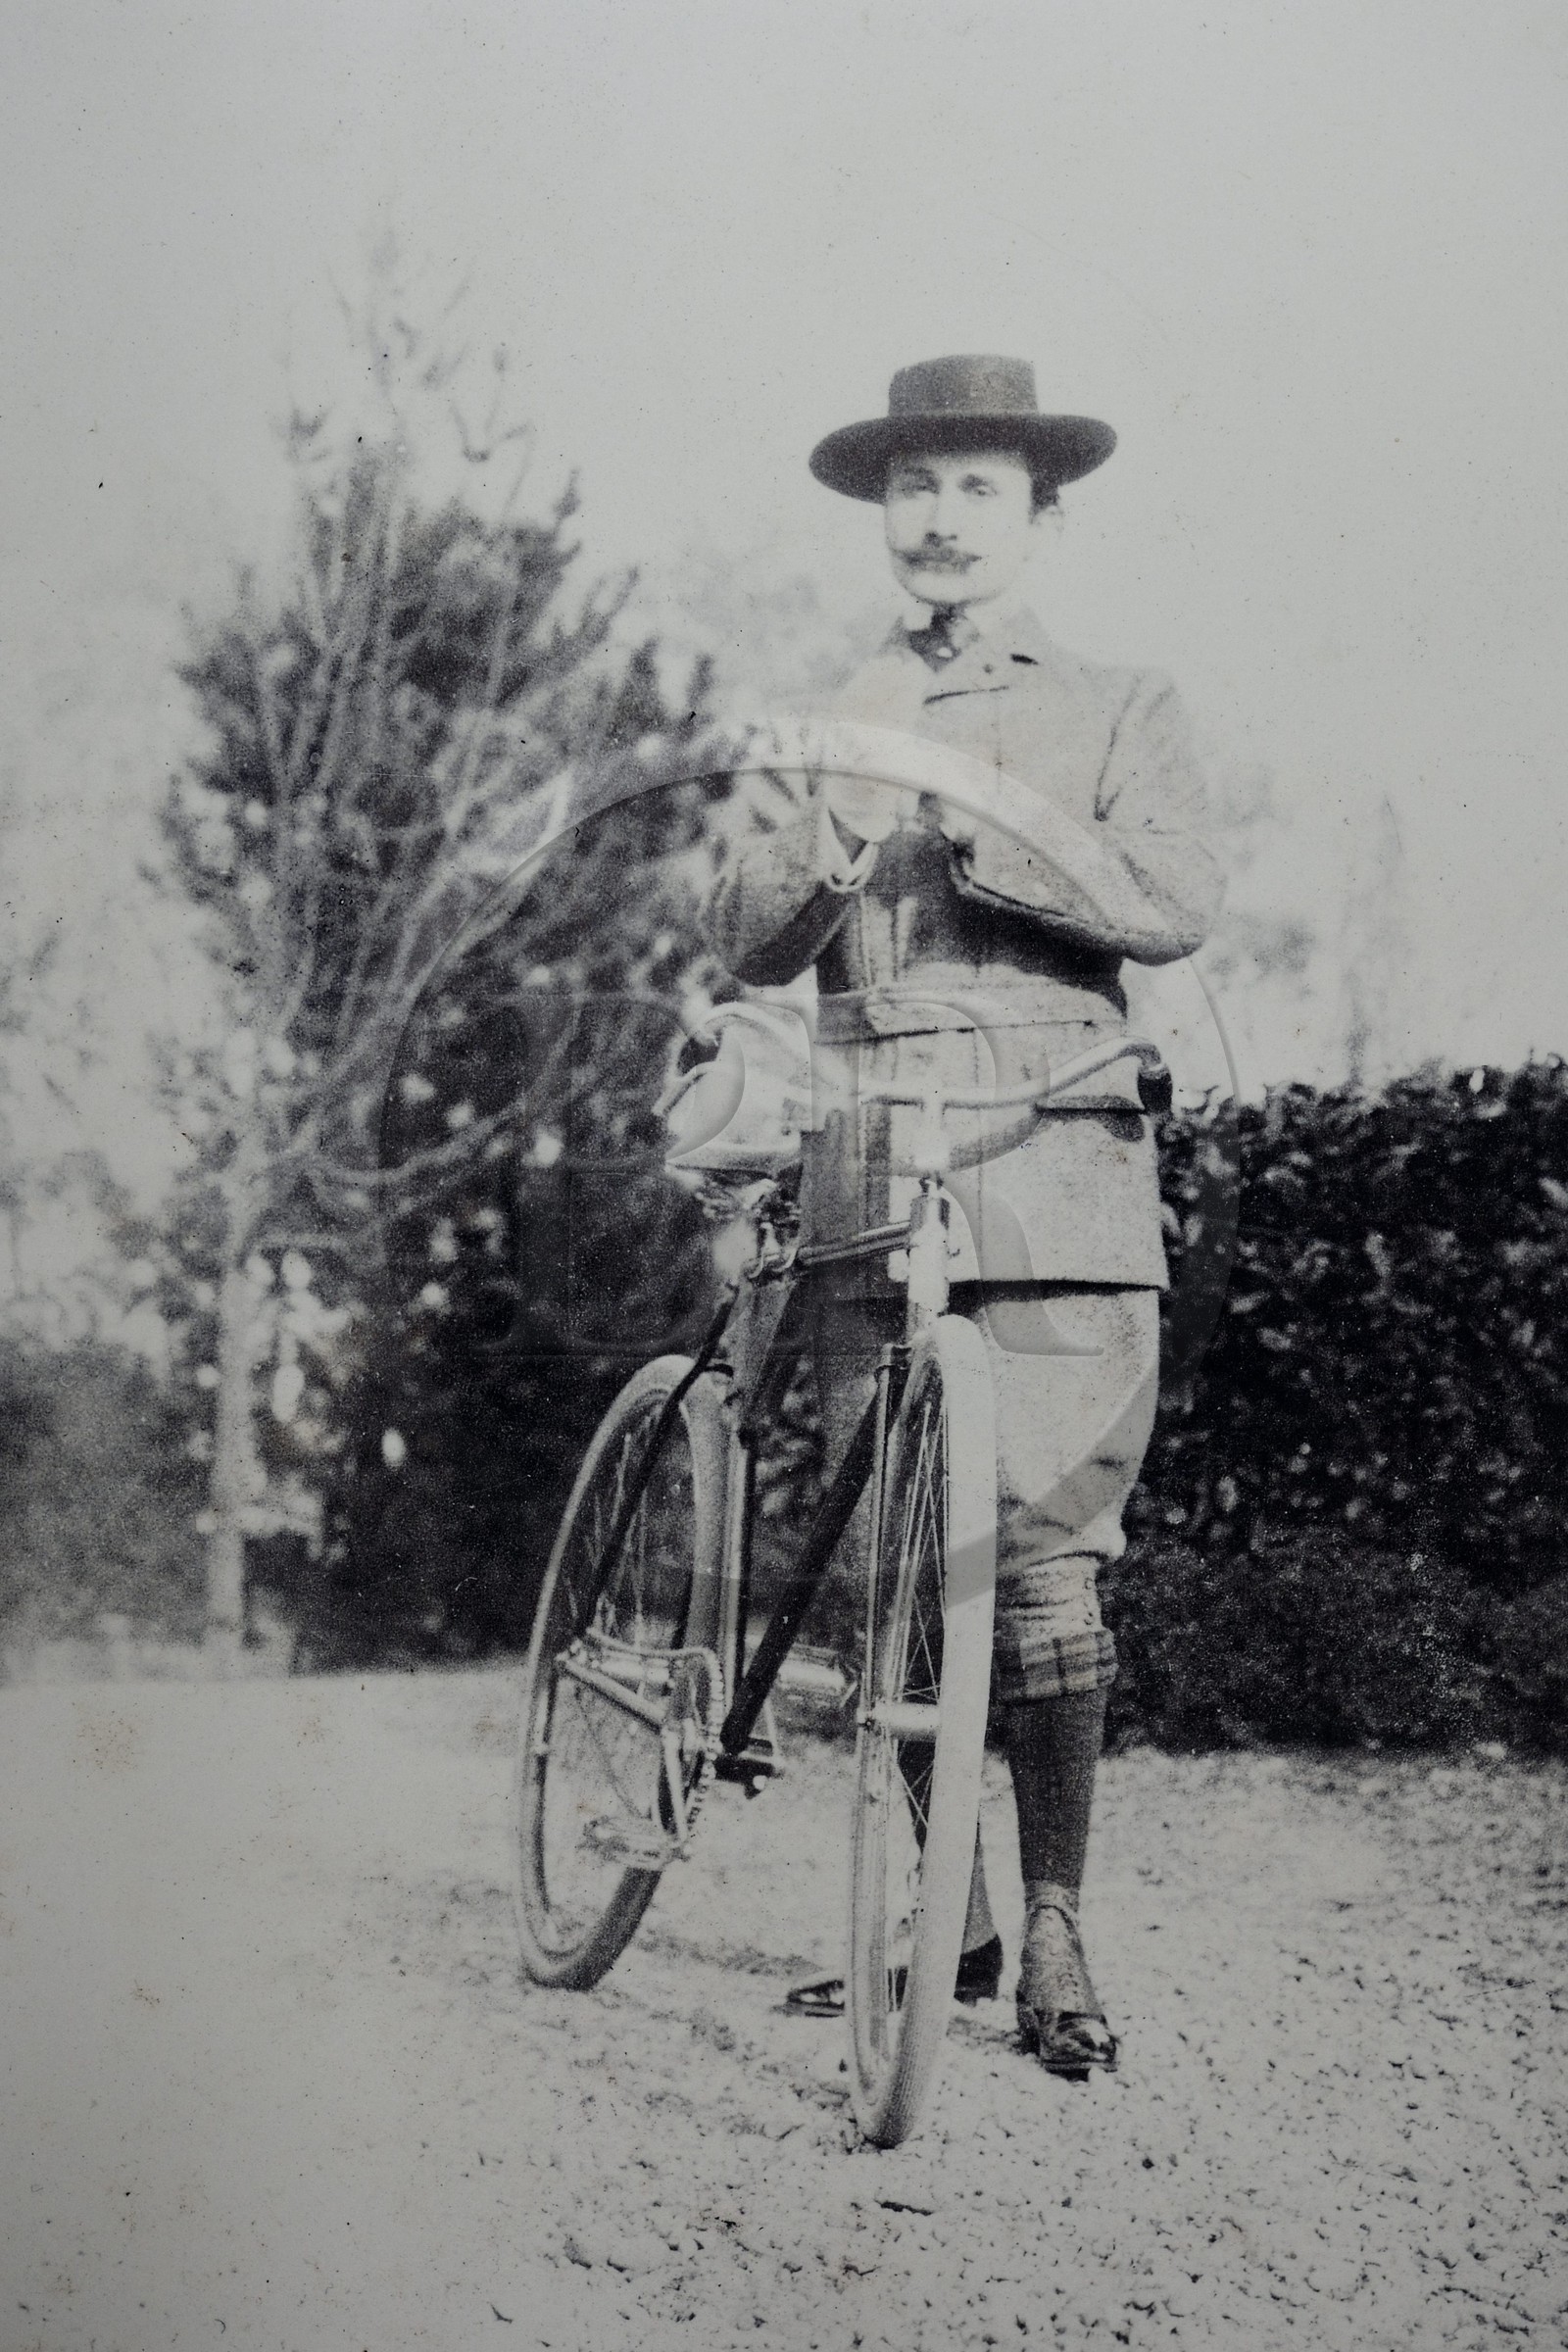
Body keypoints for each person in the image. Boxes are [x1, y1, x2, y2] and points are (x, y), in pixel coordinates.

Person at [706, 355, 1223, 2076]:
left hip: (1059, 1165)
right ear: (882, 514)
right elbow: (742, 935)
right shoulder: (829, 714)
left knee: (1050, 1563)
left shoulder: (1125, 702)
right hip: (873, 1168)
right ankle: (958, 1921)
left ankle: (1057, 1926)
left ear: (1039, 514)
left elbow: (1169, 901)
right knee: (905, 1567)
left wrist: (988, 833)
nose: (937, 518)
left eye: (976, 488)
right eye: (910, 488)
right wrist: (839, 835)